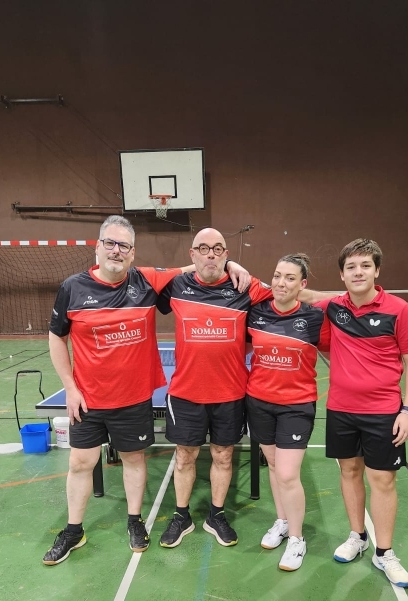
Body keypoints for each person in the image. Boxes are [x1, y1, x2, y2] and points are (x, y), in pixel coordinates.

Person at [44, 215, 249, 566]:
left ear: (133, 252)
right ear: (98, 246)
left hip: (134, 396)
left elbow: (197, 265)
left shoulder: (146, 281)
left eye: (124, 245)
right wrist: (70, 388)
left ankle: (135, 521)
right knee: (80, 463)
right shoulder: (72, 288)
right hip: (88, 398)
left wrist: (229, 263)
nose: (116, 250)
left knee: (134, 460)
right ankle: (73, 530)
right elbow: (55, 338)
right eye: (110, 243)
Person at [305, 238, 408, 587]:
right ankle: (357, 536)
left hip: (384, 411)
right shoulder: (334, 307)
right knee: (349, 471)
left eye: (365, 266)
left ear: (377, 271)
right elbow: (301, 293)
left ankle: (384, 552)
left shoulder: (398, 309)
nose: (358, 272)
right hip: (341, 409)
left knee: (383, 480)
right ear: (342, 275)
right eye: (351, 267)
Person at [156, 228, 273, 549]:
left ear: (226, 254)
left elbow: (284, 293)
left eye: (218, 249)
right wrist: (225, 263)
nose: (211, 254)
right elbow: (138, 279)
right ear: (192, 254)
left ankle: (216, 515)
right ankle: (181, 516)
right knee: (184, 457)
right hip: (185, 393)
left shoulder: (244, 287)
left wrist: (234, 267)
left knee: (223, 456)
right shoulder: (177, 286)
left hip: (230, 393)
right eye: (204, 248)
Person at [246, 253, 329, 571]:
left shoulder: (315, 318)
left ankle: (297, 539)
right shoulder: (256, 312)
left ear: (302, 284)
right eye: (277, 275)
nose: (281, 282)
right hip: (259, 401)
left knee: (288, 474)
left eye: (290, 278)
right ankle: (282, 522)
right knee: (272, 465)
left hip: (296, 404)